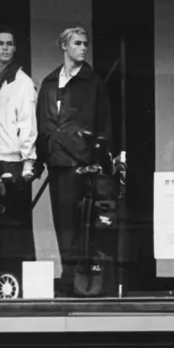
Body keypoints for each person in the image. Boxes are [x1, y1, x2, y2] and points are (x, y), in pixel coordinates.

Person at [35, 27, 112, 295]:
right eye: (77, 43)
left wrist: (98, 157)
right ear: (64, 46)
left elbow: (104, 124)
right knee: (63, 224)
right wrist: (39, 159)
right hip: (56, 163)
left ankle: (84, 282)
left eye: (85, 43)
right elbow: (42, 122)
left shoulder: (93, 83)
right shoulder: (49, 82)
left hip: (83, 164)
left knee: (85, 226)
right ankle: (70, 278)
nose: (83, 48)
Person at [0, 26, 38, 284]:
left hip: (13, 162)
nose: (4, 48)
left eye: (9, 44)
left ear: (14, 49)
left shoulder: (21, 82)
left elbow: (28, 123)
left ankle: (18, 282)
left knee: (14, 228)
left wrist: (28, 163)